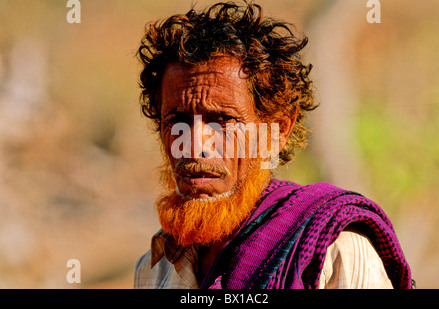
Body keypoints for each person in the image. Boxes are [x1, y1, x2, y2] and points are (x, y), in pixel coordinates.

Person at [133, 1, 412, 289]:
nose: (194, 146)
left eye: (222, 120)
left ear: (276, 131)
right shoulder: (156, 266)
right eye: (177, 121)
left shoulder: (338, 250)